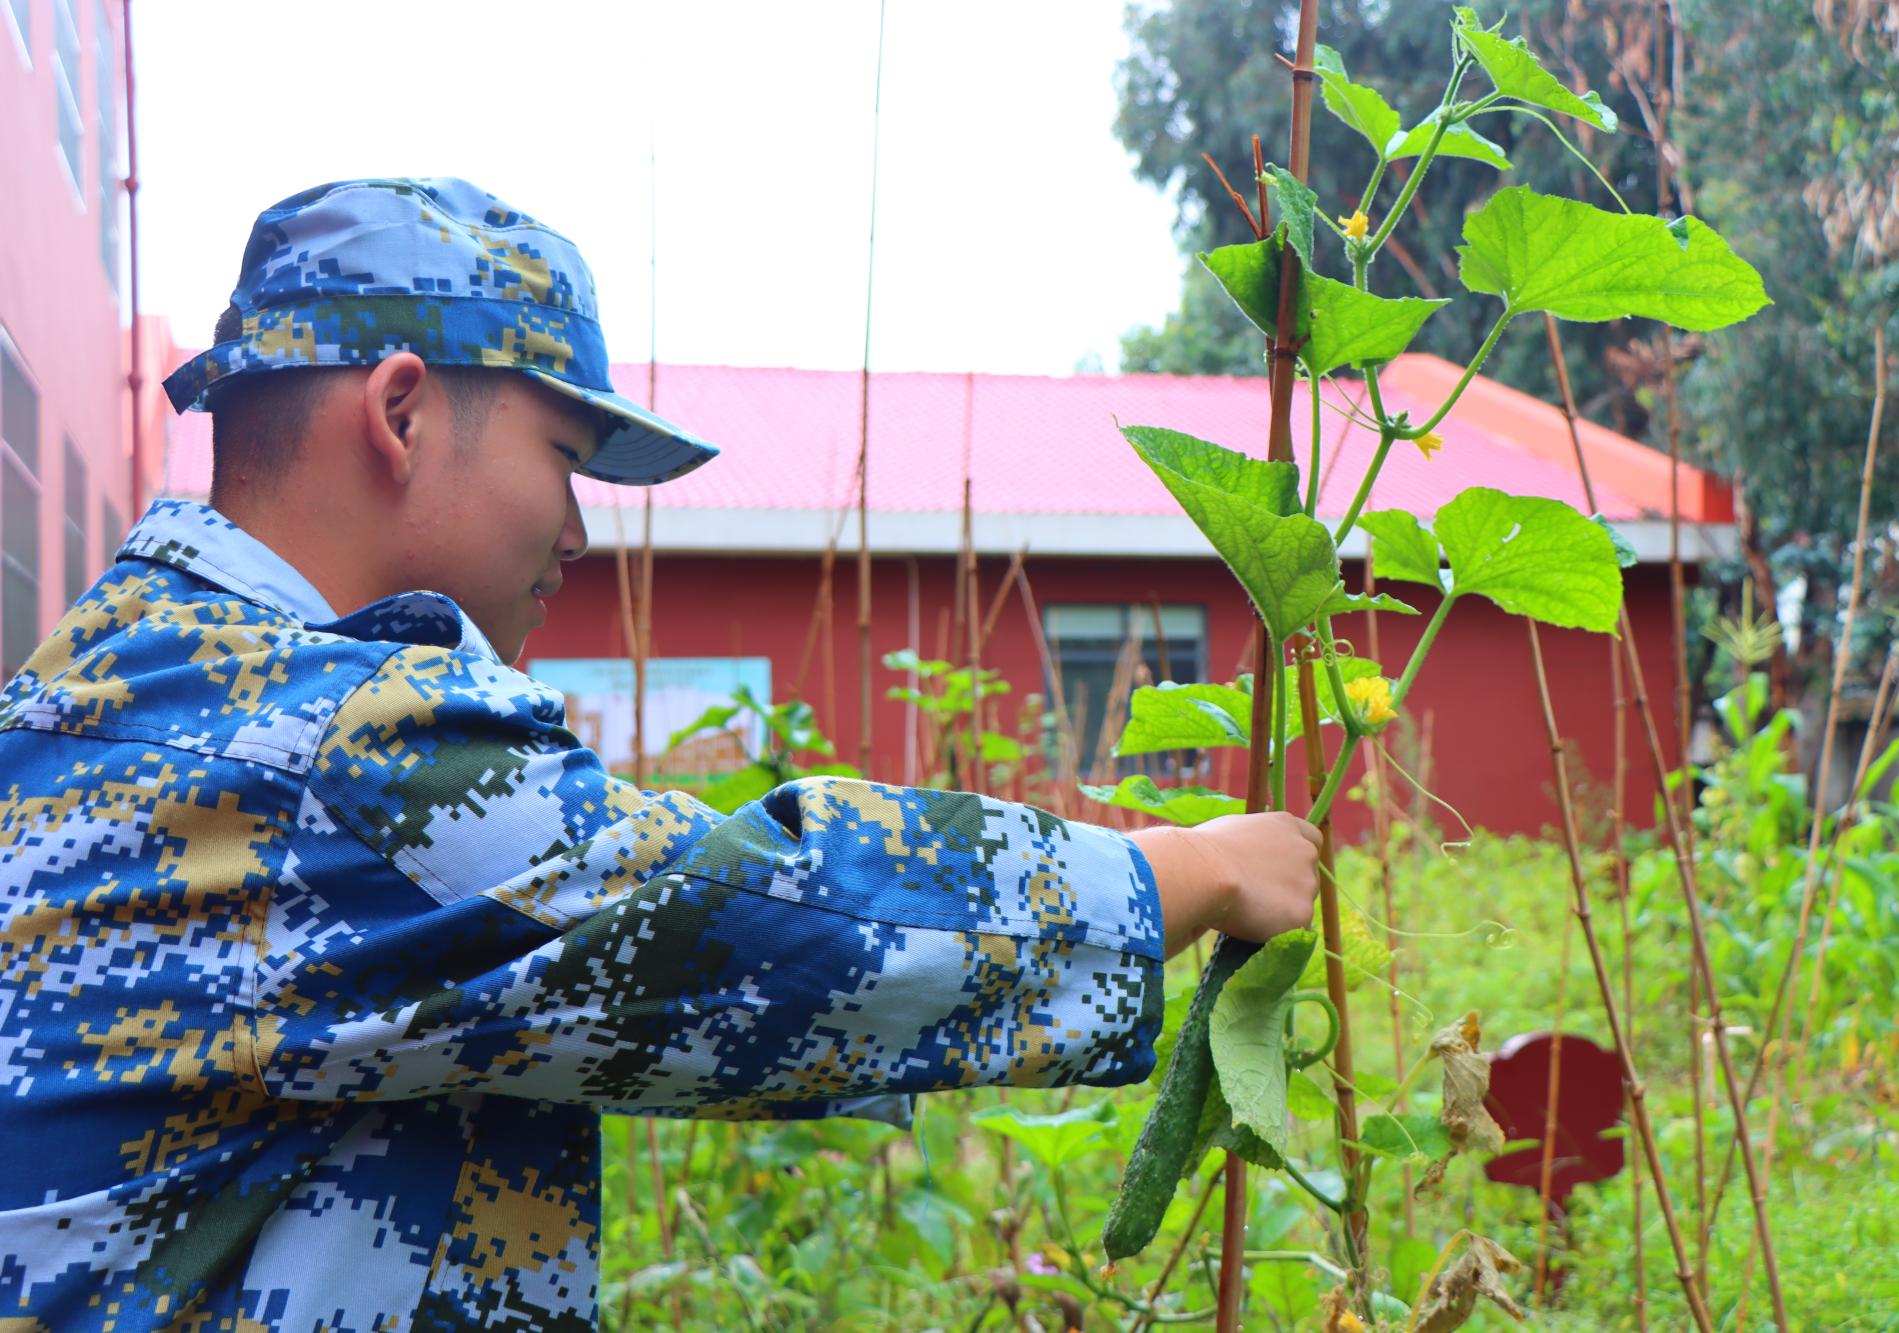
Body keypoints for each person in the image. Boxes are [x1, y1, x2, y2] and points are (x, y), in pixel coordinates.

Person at [0, 178, 1320, 1331]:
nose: (577, 529)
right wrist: (1175, 877)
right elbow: (742, 918)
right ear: (400, 413)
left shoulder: (100, 688)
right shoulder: (312, 740)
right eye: (565, 457)